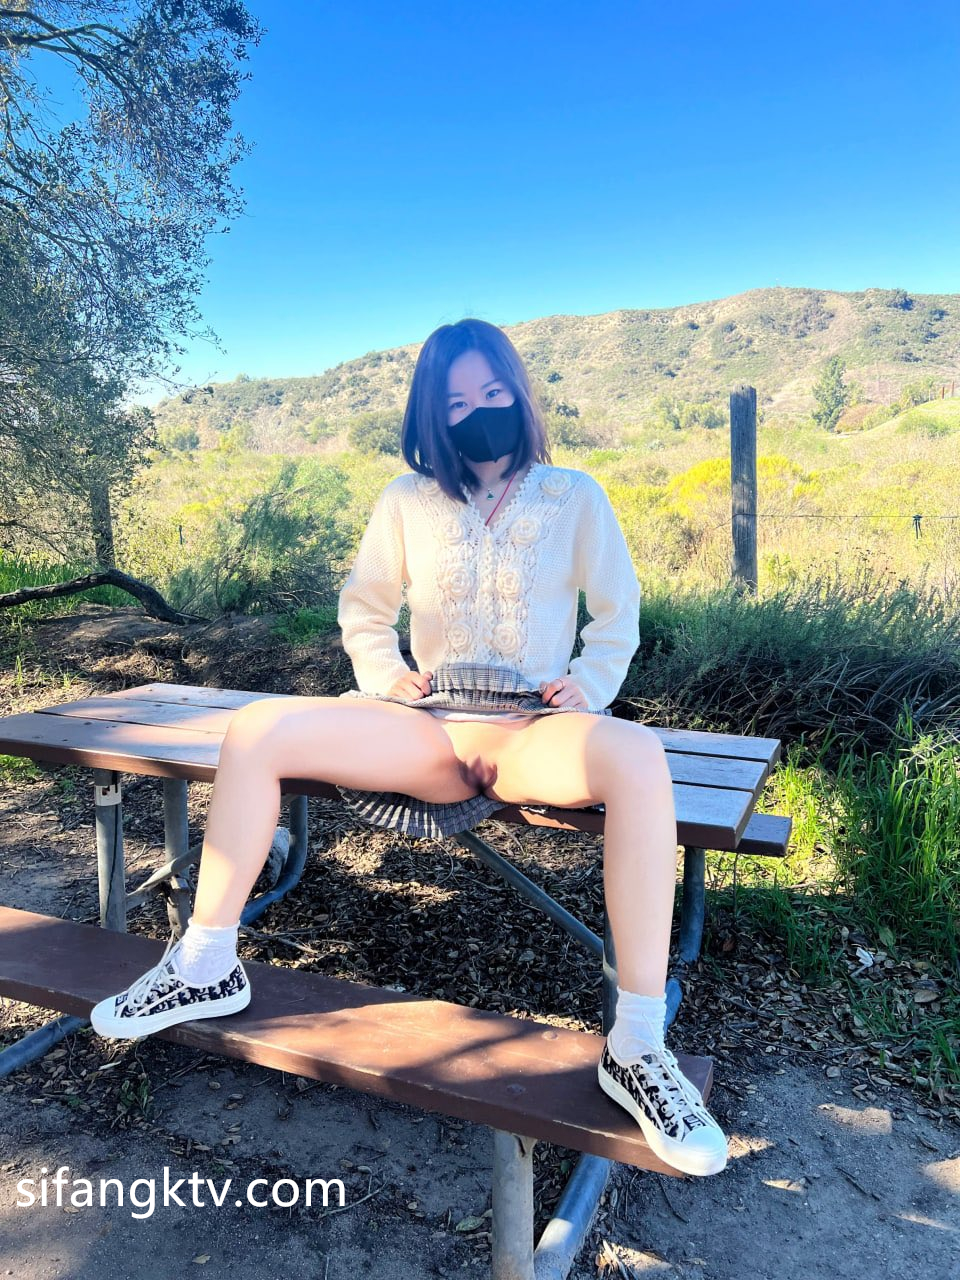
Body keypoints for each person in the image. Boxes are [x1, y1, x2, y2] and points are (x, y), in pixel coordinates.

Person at [89, 318, 728, 1177]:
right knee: (257, 728)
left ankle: (637, 1045)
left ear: (519, 394)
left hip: (530, 727)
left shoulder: (574, 495)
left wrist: (590, 682)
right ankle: (206, 962)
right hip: (425, 724)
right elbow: (365, 606)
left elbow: (618, 611)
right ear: (432, 414)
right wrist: (386, 674)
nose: (479, 412)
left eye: (492, 393)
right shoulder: (405, 499)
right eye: (458, 402)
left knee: (638, 755)